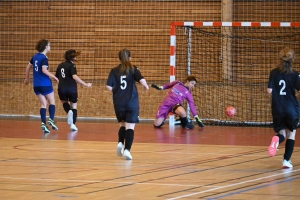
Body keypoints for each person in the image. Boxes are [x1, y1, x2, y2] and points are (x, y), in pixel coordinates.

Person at [106, 48, 149, 160]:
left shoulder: (114, 70)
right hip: (131, 102)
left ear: (119, 58)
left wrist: (117, 92)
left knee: (122, 125)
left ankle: (120, 143)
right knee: (130, 127)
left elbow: (108, 87)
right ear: (130, 58)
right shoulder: (133, 68)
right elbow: (142, 80)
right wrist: (146, 86)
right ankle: (127, 150)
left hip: (118, 102)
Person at [267, 47, 300, 169]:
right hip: (292, 107)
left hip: (278, 107)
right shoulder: (295, 74)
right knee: (291, 134)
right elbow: (298, 88)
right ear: (292, 60)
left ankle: (277, 139)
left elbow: (269, 90)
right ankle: (286, 161)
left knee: (281, 132)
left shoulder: (274, 72)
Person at [24, 39, 59, 134]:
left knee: (43, 104)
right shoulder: (44, 58)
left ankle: (44, 123)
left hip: (36, 85)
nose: (50, 47)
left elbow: (28, 67)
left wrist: (27, 78)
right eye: (49, 45)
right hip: (45, 84)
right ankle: (51, 119)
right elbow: (44, 70)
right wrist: (53, 76)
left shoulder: (35, 57)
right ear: (46, 47)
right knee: (52, 102)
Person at [55, 50, 92, 131]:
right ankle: (73, 124)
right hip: (71, 88)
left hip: (61, 88)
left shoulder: (60, 65)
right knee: (74, 106)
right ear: (73, 57)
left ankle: (68, 111)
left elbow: (57, 77)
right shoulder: (72, 66)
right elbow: (74, 76)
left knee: (64, 102)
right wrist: (85, 84)